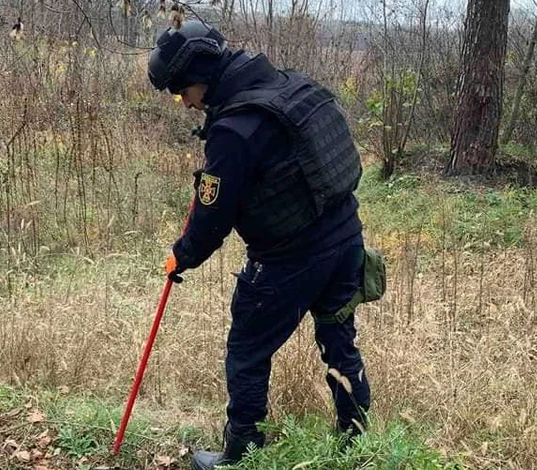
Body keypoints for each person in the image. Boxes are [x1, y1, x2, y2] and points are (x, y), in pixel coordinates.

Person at [148, 19, 377, 470]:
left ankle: (241, 454)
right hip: (346, 238)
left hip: (288, 259)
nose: (185, 104)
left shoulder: (234, 130)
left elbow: (213, 218)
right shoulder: (287, 84)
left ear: (201, 76)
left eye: (181, 92)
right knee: (339, 342)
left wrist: (183, 255)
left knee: (247, 350)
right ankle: (356, 444)